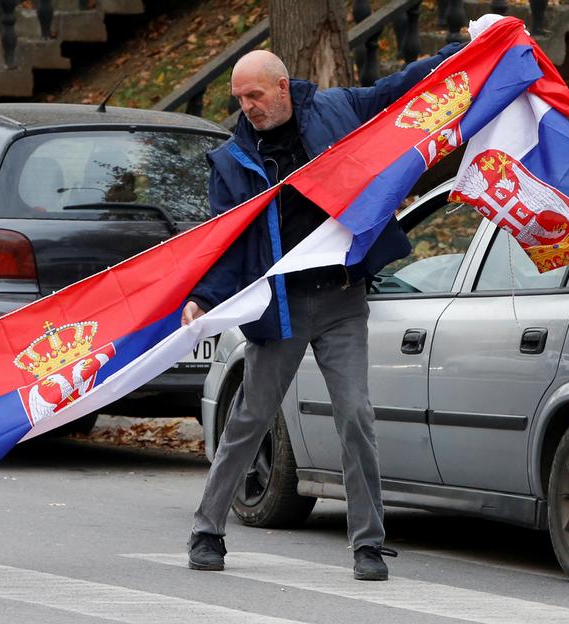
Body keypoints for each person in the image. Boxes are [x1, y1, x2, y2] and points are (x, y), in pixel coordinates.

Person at [182, 43, 462, 581]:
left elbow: (399, 86)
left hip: (341, 298)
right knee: (250, 418)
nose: (248, 107)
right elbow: (225, 242)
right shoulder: (232, 160)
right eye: (240, 98)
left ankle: (368, 546)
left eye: (256, 95)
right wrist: (203, 299)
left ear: (283, 87)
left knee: (355, 416)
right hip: (280, 305)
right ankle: (207, 530)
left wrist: (466, 49)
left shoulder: (335, 110)